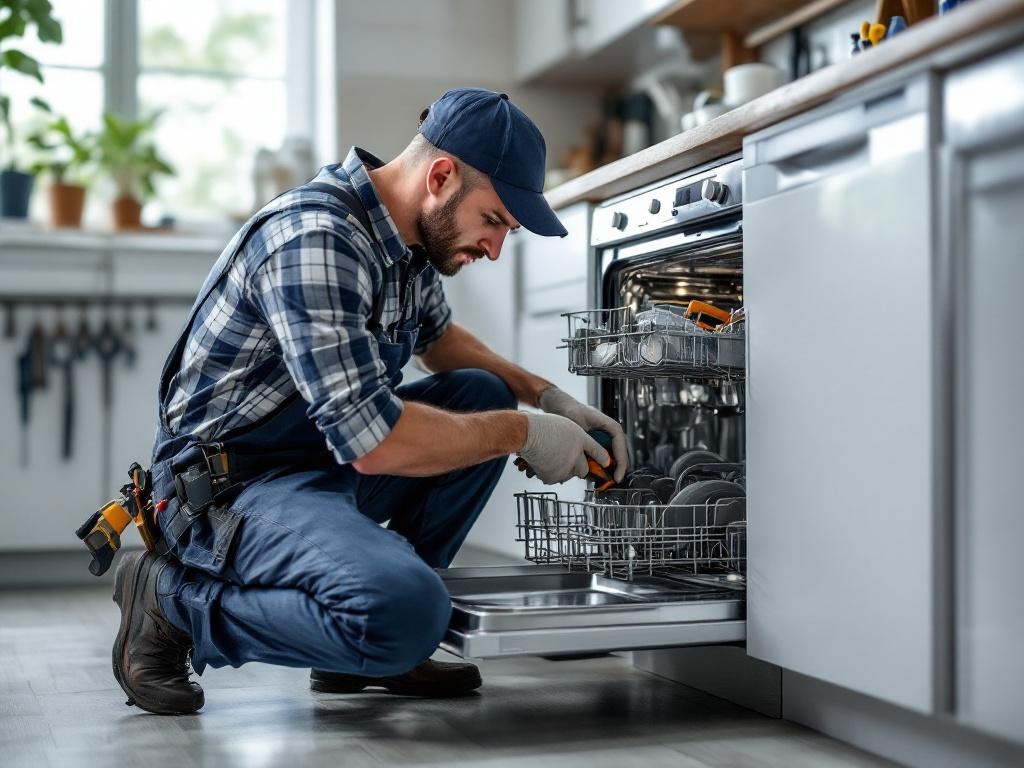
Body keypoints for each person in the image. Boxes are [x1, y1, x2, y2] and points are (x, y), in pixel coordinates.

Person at [110, 88, 628, 715]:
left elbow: (440, 342)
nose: (495, 249)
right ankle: (171, 602)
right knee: (403, 614)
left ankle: (367, 650)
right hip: (230, 489)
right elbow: (374, 444)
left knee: (481, 393)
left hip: (316, 465)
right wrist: (524, 432)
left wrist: (547, 395)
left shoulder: (409, 243)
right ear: (441, 177)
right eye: (493, 221)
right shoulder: (317, 239)